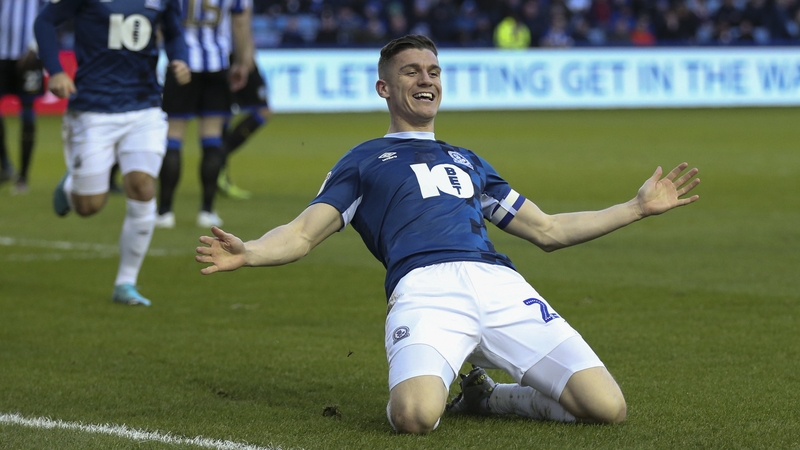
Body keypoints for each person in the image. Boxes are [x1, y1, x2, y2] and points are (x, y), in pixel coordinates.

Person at [195, 35, 701, 434]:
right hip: (425, 290)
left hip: (498, 285)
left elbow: (547, 230)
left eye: (434, 71)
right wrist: (253, 251)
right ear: (384, 88)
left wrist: (634, 208)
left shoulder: (468, 161)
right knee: (415, 417)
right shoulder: (364, 160)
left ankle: (489, 397)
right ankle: (459, 387)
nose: (426, 80)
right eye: (411, 71)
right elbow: (304, 233)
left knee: (607, 408)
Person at [35, 0, 190, 306]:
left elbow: (173, 31)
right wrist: (54, 70)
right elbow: (45, 22)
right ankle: (71, 188)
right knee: (89, 206)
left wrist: (180, 59)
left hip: (144, 106)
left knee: (143, 185)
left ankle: (126, 283)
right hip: (93, 108)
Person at [155, 0, 255, 229]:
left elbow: (160, 23)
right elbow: (240, 24)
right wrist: (242, 62)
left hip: (180, 65)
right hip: (217, 65)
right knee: (212, 139)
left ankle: (165, 212)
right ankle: (207, 211)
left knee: (173, 138)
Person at [0, 0, 45, 194]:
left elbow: (52, 12)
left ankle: (23, 177)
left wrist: (36, 45)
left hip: (29, 56)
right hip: (1, 55)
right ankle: (5, 165)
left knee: (27, 114)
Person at [217, 56, 273, 200]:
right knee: (262, 110)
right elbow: (242, 32)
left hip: (221, 60)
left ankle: (217, 166)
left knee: (222, 113)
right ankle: (217, 164)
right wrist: (245, 61)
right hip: (238, 60)